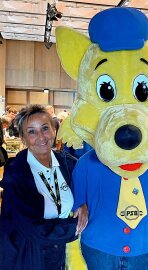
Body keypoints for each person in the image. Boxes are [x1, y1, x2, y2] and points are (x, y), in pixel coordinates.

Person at [0, 104, 88, 270]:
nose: (41, 136)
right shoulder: (17, 174)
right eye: (31, 131)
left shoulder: (67, 164)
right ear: (23, 138)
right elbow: (32, 228)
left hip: (63, 255)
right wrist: (77, 225)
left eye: (45, 128)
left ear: (54, 130)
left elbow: (85, 188)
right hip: (30, 256)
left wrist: (82, 203)